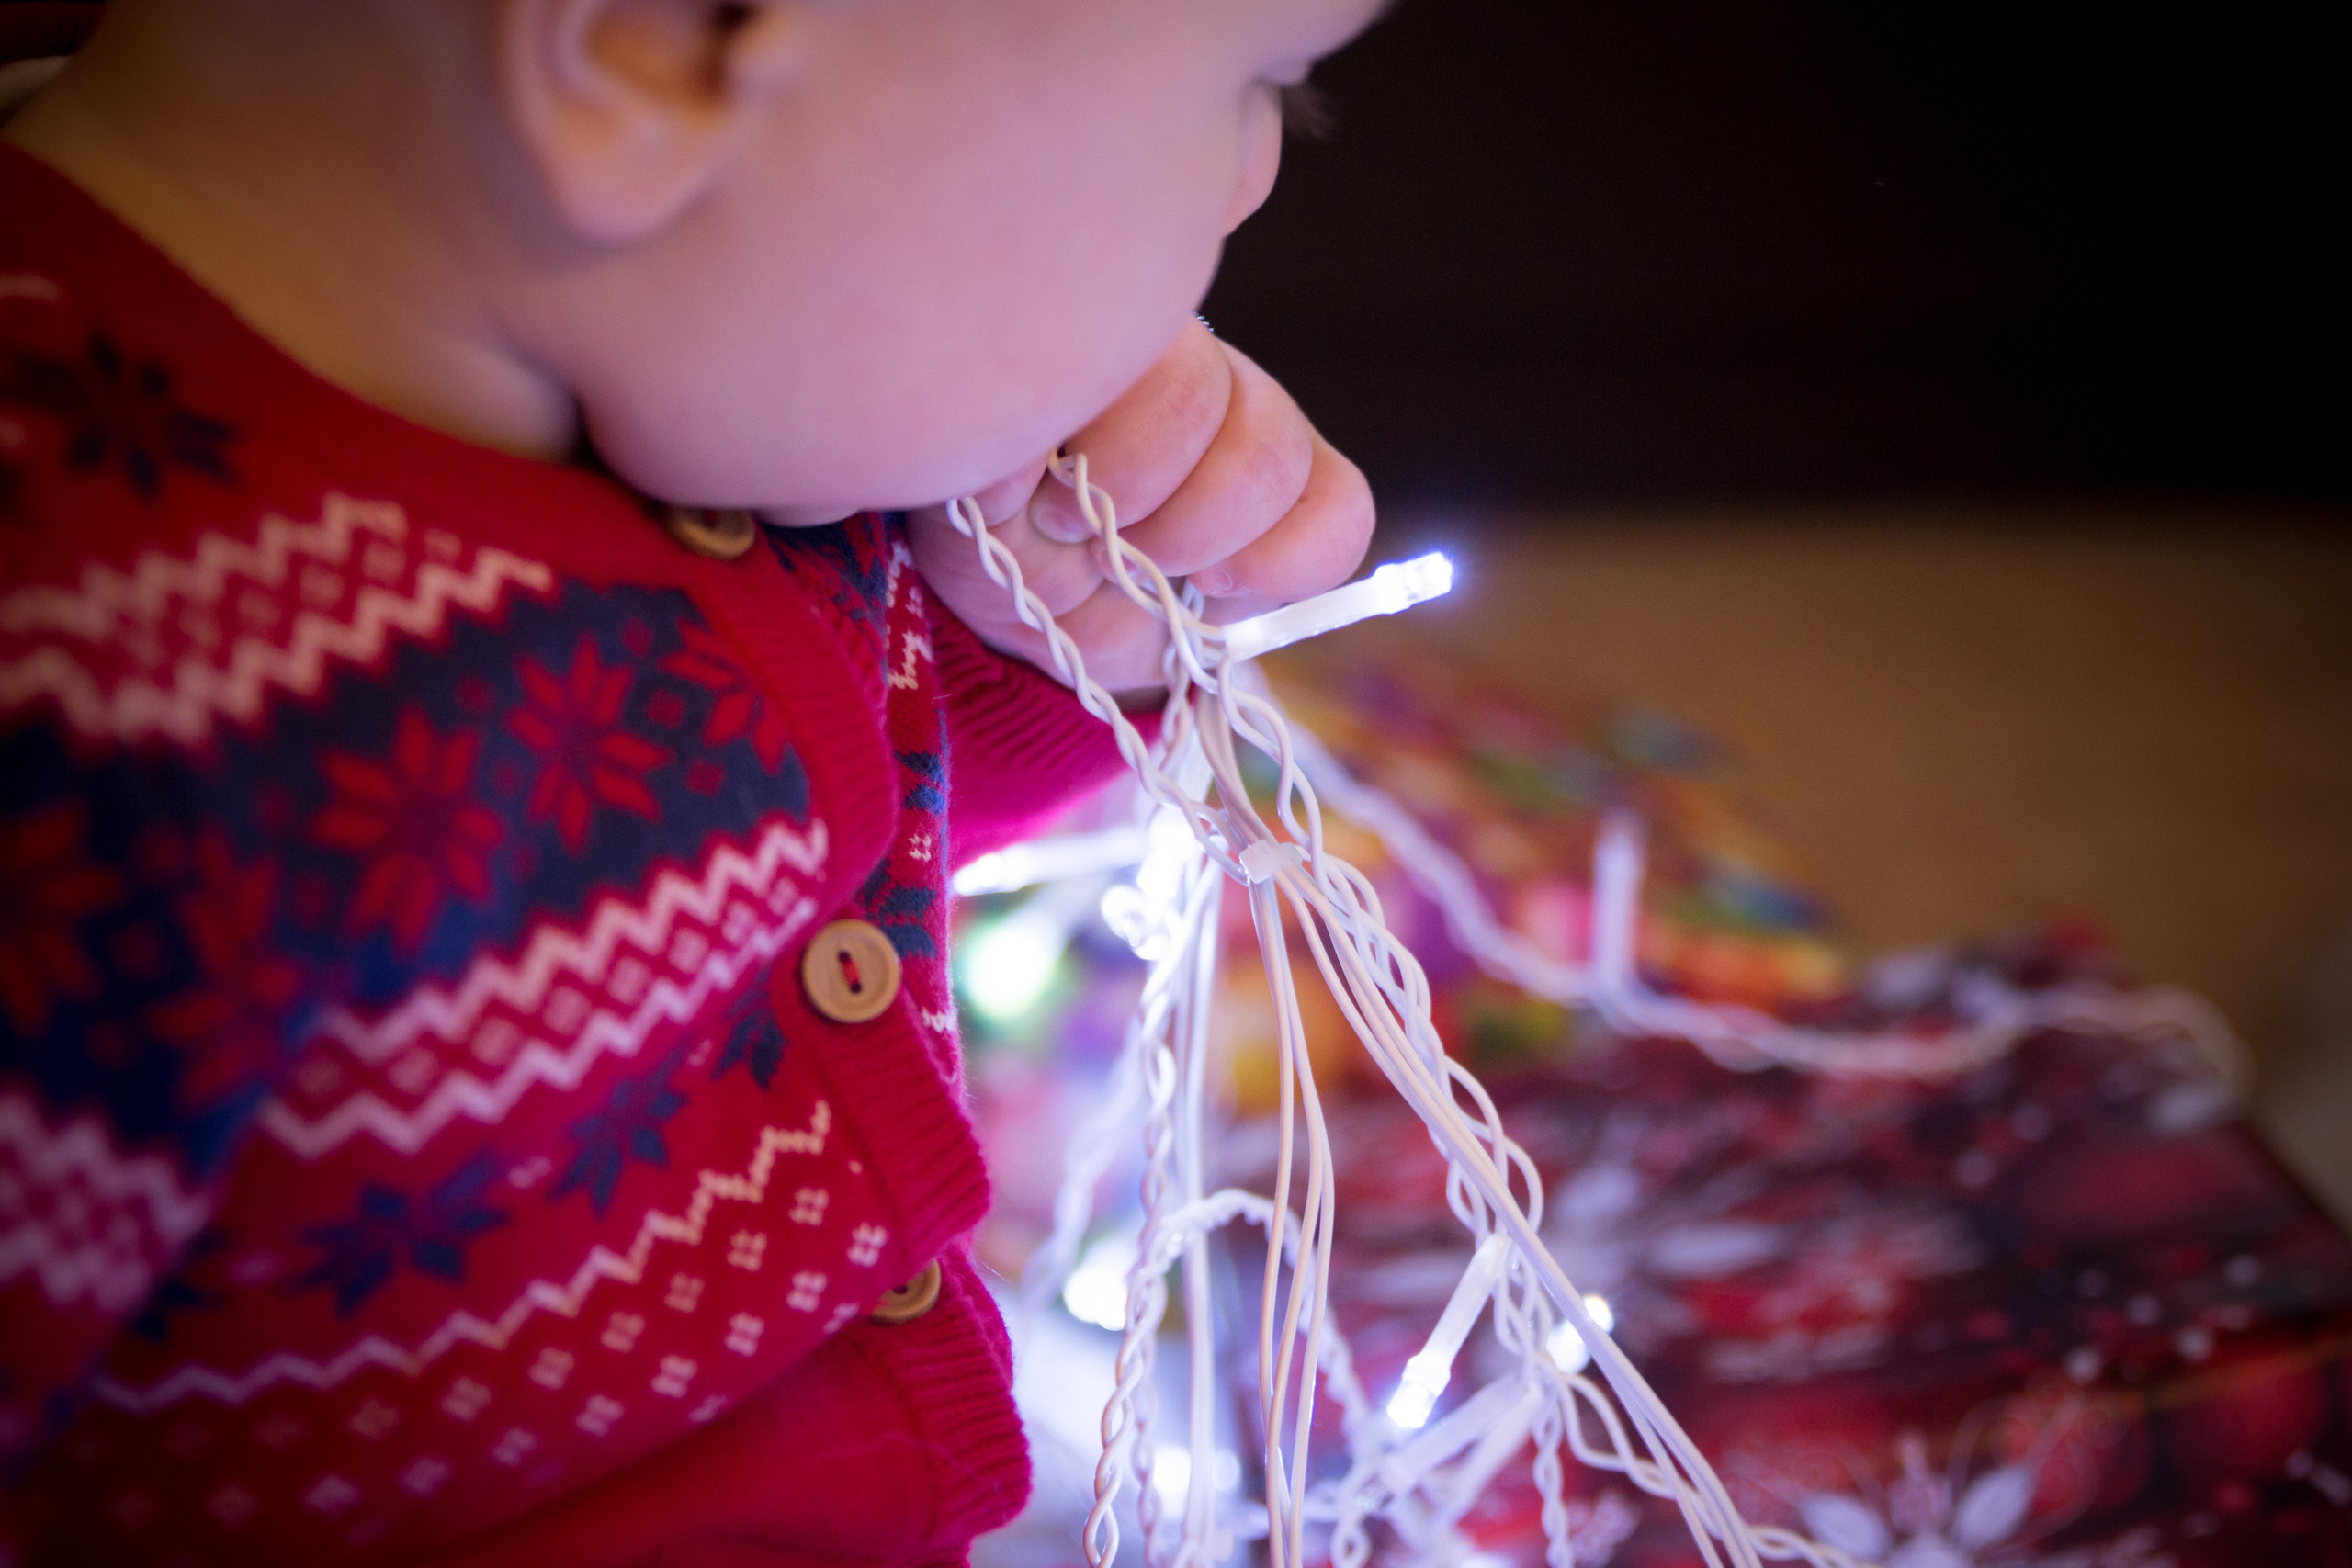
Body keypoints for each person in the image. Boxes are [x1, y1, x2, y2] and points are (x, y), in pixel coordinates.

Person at [0, 0, 1386, 1562]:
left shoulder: (687, 368)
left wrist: (1026, 635)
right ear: (653, 50)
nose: (1249, 184)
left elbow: (742, 868)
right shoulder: (93, 685)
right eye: (1249, 86)